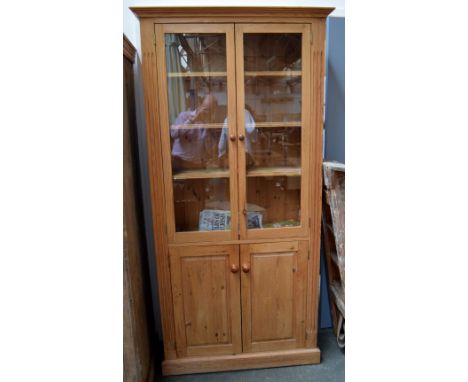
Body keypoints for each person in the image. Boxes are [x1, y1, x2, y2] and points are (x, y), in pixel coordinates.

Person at [170, 94, 218, 169]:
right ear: (199, 105)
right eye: (206, 109)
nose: (207, 112)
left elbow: (210, 151)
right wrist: (193, 120)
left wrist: (207, 128)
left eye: (211, 110)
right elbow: (173, 134)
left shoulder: (208, 124)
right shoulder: (184, 116)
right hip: (179, 162)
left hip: (197, 164)